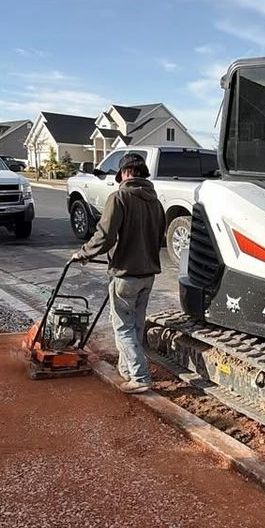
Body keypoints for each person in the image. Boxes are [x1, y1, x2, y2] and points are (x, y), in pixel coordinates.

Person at [72, 153, 166, 391]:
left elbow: (105, 235)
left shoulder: (120, 197)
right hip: (148, 274)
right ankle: (126, 369)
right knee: (135, 325)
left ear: (124, 173)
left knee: (123, 328)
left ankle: (139, 377)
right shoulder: (156, 202)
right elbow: (158, 238)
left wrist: (84, 253)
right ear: (142, 173)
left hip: (126, 274)